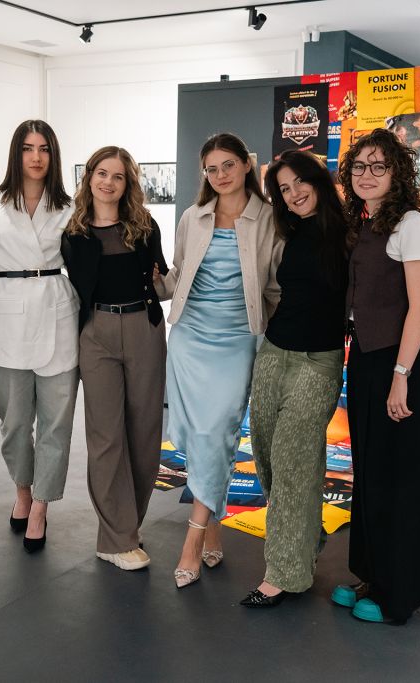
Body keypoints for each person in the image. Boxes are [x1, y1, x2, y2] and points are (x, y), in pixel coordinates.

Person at [156, 133, 282, 588]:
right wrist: (146, 283)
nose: (221, 174)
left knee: (217, 433)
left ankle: (192, 540)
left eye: (229, 164)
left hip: (237, 339)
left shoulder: (270, 218)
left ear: (246, 164)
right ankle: (211, 528)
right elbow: (177, 274)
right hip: (189, 336)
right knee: (195, 437)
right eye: (212, 168)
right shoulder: (193, 217)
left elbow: (276, 285)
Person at [333, 127, 420, 624]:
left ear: (397, 173)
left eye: (378, 166)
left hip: (397, 362)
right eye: (359, 166)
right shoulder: (364, 223)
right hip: (366, 359)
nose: (367, 175)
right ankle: (371, 577)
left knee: (396, 480)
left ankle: (399, 598)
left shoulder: (411, 223)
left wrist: (401, 375)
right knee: (369, 474)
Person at [241, 151, 348, 607]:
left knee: (293, 460)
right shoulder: (286, 230)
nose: (293, 193)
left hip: (317, 361)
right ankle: (303, 538)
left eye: (299, 182)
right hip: (273, 353)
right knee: (267, 456)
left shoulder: (350, 233)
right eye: (283, 189)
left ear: (317, 180)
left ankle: (282, 574)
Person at [0, 120, 80, 553]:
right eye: (28, 148)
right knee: (14, 423)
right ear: (16, 154)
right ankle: (22, 490)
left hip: (57, 312)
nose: (36, 157)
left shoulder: (71, 205)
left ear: (54, 155)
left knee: (56, 424)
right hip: (6, 316)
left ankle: (41, 507)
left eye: (44, 148)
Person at [61, 146, 169, 571]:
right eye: (102, 173)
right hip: (97, 334)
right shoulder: (73, 234)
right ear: (89, 178)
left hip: (144, 329)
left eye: (118, 176)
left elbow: (160, 278)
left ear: (128, 184)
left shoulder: (145, 227)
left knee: (144, 434)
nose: (108, 182)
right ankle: (114, 538)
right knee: (105, 437)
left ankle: (128, 526)